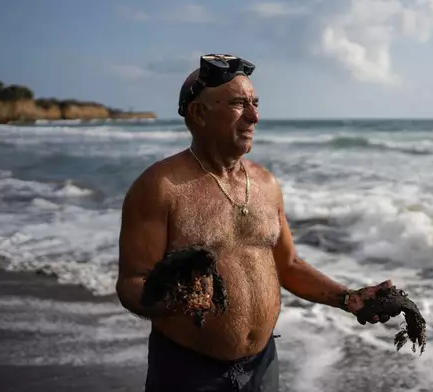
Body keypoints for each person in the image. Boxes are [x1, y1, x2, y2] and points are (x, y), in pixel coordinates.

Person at [116, 54, 402, 392]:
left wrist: (347, 298)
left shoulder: (266, 184)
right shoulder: (161, 187)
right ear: (198, 114)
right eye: (239, 104)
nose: (254, 116)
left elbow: (289, 265)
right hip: (189, 369)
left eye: (254, 103)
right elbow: (132, 282)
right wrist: (171, 300)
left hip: (262, 366)